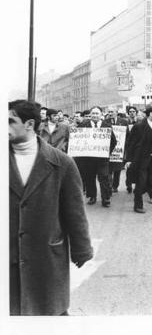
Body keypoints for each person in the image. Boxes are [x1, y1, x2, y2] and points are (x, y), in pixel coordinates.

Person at [9, 100, 93, 315]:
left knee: (49, 313)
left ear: (29, 124)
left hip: (46, 254)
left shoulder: (62, 163)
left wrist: (81, 249)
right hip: (8, 255)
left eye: (10, 121)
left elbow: (74, 211)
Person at [125, 103, 152, 213]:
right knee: (141, 182)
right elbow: (131, 144)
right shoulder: (139, 126)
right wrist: (129, 160)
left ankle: (148, 192)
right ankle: (138, 205)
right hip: (141, 160)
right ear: (151, 114)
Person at [76, 106, 117, 208]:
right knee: (89, 178)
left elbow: (113, 142)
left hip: (102, 159)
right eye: (93, 113)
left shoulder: (107, 126)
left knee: (104, 177)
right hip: (88, 159)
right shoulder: (83, 125)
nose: (94, 115)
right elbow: (77, 141)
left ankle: (105, 198)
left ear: (101, 115)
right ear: (90, 115)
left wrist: (106, 153)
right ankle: (92, 196)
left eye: (97, 113)